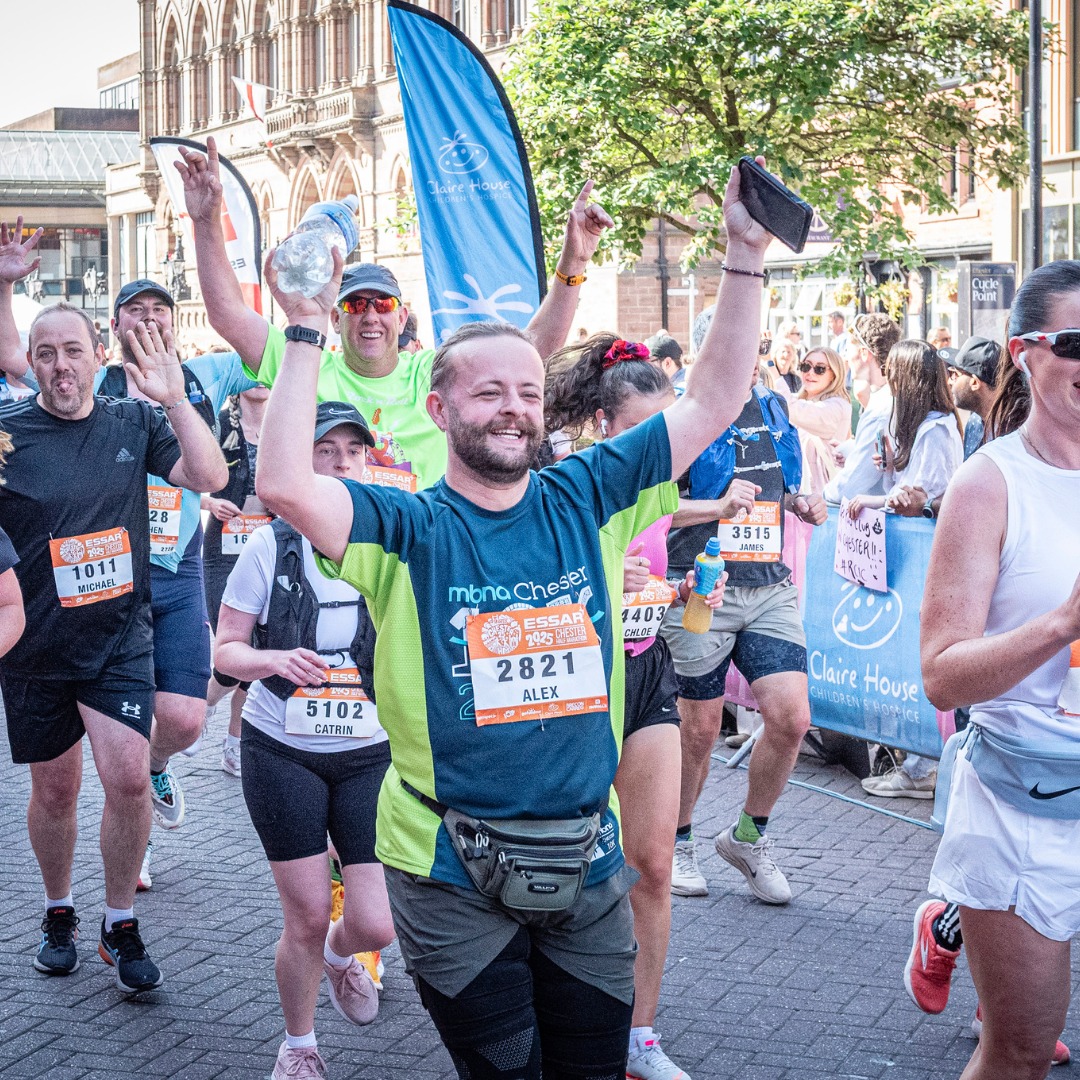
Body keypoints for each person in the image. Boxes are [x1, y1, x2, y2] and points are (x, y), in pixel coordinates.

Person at [253, 161, 771, 1080]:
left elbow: (713, 400)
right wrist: (302, 326)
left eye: (528, 393)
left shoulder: (588, 491)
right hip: (449, 868)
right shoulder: (402, 525)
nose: (514, 410)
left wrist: (742, 255)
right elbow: (286, 483)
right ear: (439, 407)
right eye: (489, 393)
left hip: (588, 857)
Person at [0, 229, 261, 851]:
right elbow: (19, 355)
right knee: (83, 779)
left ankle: (149, 769)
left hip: (172, 567)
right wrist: (6, 285)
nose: (148, 320)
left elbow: (259, 354)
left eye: (159, 310)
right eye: (134, 311)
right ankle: (123, 826)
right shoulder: (95, 384)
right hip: (91, 587)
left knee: (181, 719)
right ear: (112, 330)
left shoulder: (201, 375)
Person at [0, 300, 226, 994]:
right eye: (46, 353)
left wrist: (173, 397)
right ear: (30, 362)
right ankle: (58, 911)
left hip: (120, 637)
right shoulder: (6, 435)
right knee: (57, 790)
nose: (61, 366)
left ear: (99, 355)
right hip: (36, 648)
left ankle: (120, 921)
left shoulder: (135, 419)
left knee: (128, 778)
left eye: (73, 350)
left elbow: (211, 477)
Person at [177, 136, 612, 491]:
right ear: (334, 318)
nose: (370, 316)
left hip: (415, 552)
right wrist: (205, 221)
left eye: (382, 305)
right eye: (355, 304)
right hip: (328, 553)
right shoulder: (304, 363)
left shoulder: (432, 370)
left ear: (401, 319)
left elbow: (533, 348)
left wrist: (573, 265)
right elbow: (227, 314)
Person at [544, 335, 726, 1080]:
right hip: (572, 680)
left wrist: (680, 592)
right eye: (649, 430)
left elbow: (650, 569)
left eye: (668, 428)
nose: (664, 446)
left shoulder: (658, 487)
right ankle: (544, 1013)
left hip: (644, 664)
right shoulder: (560, 483)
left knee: (651, 863)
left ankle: (638, 1036)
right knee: (561, 866)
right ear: (600, 424)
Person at [920, 259, 1080, 1080]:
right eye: (1076, 341)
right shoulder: (991, 483)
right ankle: (951, 922)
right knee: (1018, 1051)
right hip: (1028, 808)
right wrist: (1062, 624)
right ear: (1025, 351)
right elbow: (942, 676)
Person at [214, 400, 394, 1080]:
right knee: (308, 915)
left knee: (376, 924)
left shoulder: (389, 545)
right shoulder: (272, 545)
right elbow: (225, 649)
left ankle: (347, 958)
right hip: (281, 748)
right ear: (305, 461)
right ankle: (299, 1045)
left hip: (369, 755)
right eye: (326, 449)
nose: (342, 460)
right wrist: (270, 661)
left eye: (354, 449)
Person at [661, 307, 828, 905]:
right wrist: (714, 509)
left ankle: (748, 837)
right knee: (700, 728)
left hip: (767, 584)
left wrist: (803, 502)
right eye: (733, 351)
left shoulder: (774, 407)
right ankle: (676, 839)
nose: (747, 360)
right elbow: (650, 509)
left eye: (752, 349)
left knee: (790, 717)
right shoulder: (676, 415)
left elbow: (778, 487)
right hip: (699, 583)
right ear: (706, 355)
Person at [201, 385, 272, 778]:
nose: (258, 379)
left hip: (268, 542)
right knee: (232, 644)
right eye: (248, 368)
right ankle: (203, 705)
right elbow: (175, 474)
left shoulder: (286, 422)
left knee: (257, 644)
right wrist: (209, 502)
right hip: (223, 547)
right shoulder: (216, 424)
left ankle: (234, 743)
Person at [823, 313, 901, 504]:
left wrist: (821, 497)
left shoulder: (881, 408)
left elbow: (853, 483)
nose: (846, 357)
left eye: (849, 349)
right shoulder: (888, 396)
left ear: (865, 353)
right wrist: (852, 449)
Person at [776, 346, 851, 493]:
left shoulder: (838, 406)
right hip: (794, 493)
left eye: (820, 369)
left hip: (823, 497)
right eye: (805, 366)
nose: (810, 373)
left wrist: (771, 368)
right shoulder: (798, 399)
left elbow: (790, 408)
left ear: (834, 374)